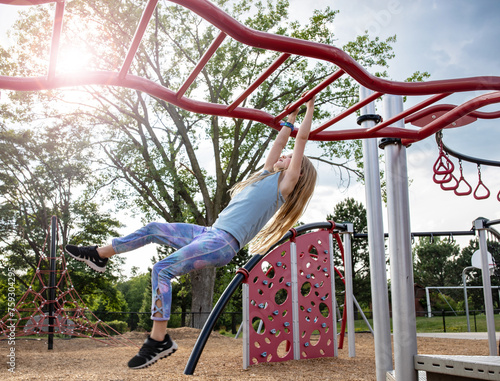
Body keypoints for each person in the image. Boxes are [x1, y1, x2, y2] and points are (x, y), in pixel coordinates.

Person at [65, 95, 317, 369]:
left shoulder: (284, 186)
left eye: (290, 158)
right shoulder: (265, 173)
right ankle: (101, 255)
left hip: (222, 243)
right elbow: (281, 141)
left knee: (161, 269)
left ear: (298, 172)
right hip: (208, 232)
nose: (284, 155)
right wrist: (288, 120)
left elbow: (300, 141)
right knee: (152, 229)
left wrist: (308, 109)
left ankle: (158, 340)